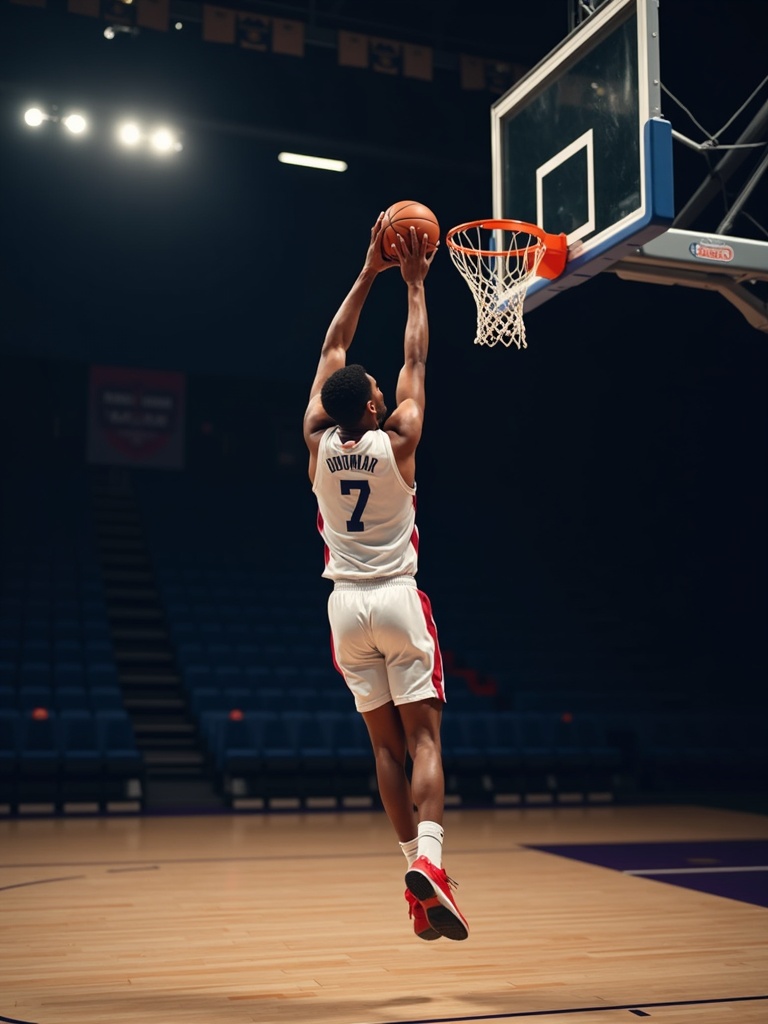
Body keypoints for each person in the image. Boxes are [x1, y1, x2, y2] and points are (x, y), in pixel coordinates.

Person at [302, 211, 469, 942]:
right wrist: (413, 286)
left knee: (384, 751)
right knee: (426, 743)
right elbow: (417, 357)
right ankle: (430, 864)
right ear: (373, 404)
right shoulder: (399, 436)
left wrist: (366, 269)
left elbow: (334, 343)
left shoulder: (314, 440)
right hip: (399, 599)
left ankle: (412, 877)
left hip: (345, 611)